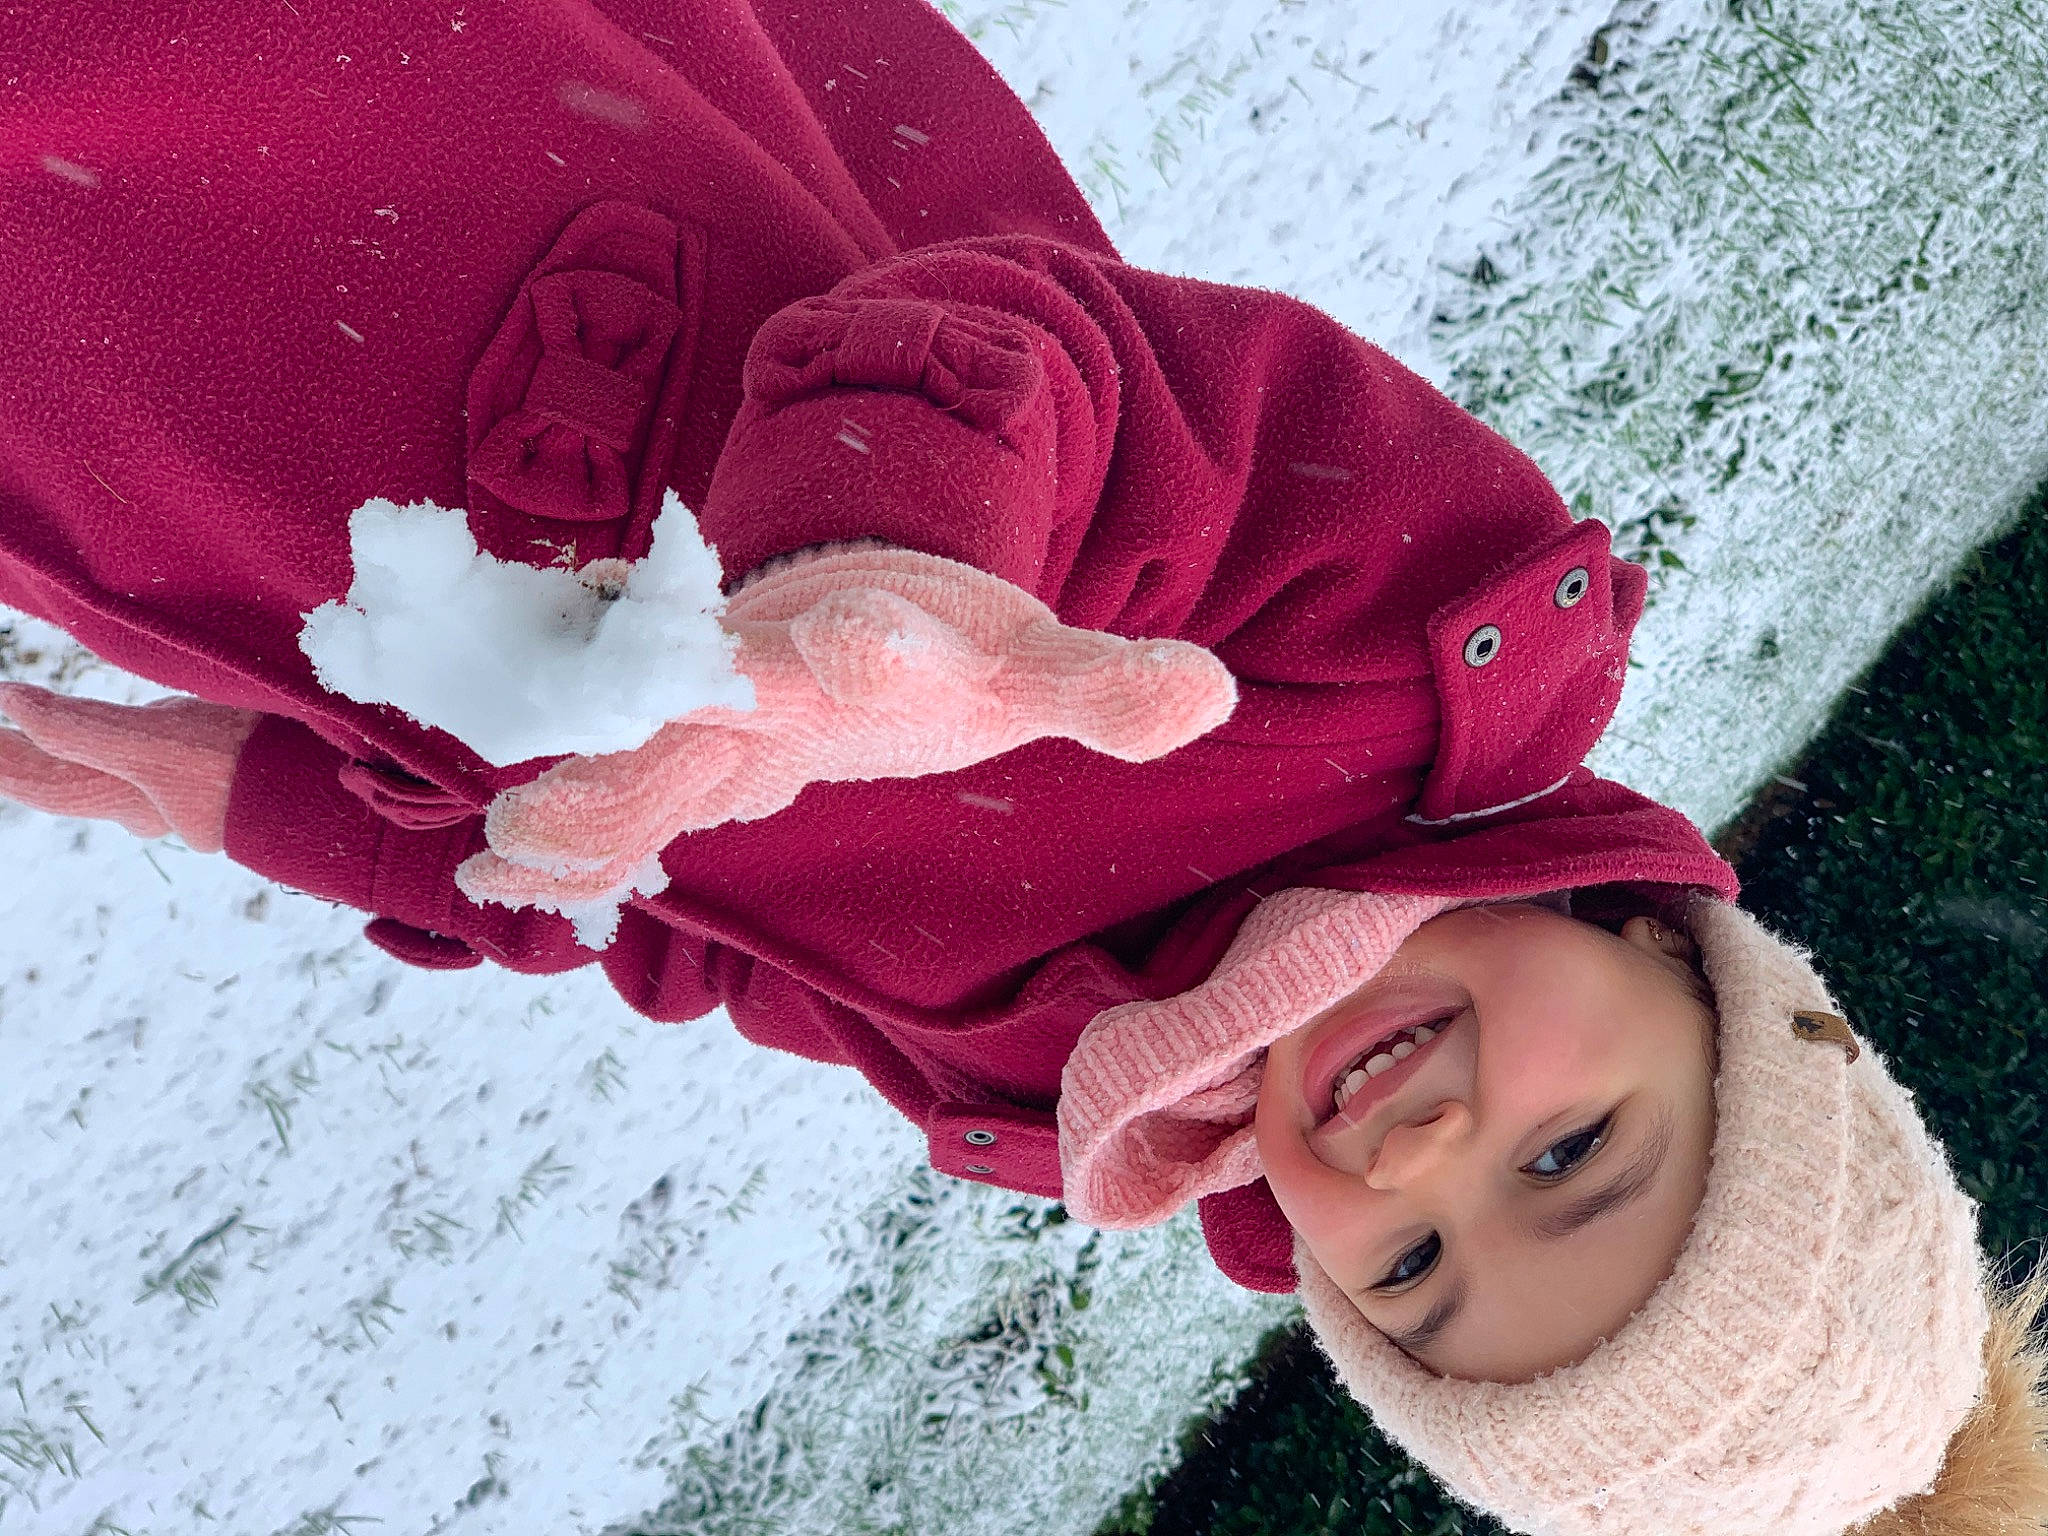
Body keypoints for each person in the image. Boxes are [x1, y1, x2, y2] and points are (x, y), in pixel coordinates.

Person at [1, 3, 2042, 1532]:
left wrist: (247, 796)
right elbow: (1088, 368)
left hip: (209, 484)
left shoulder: (1040, 1080)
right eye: (1570, 1158)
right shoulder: (1421, 663)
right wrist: (908, 558)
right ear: (1696, 982)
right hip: (451, 146)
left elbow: (678, 924)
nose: (1423, 1170)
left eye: (1415, 1276)